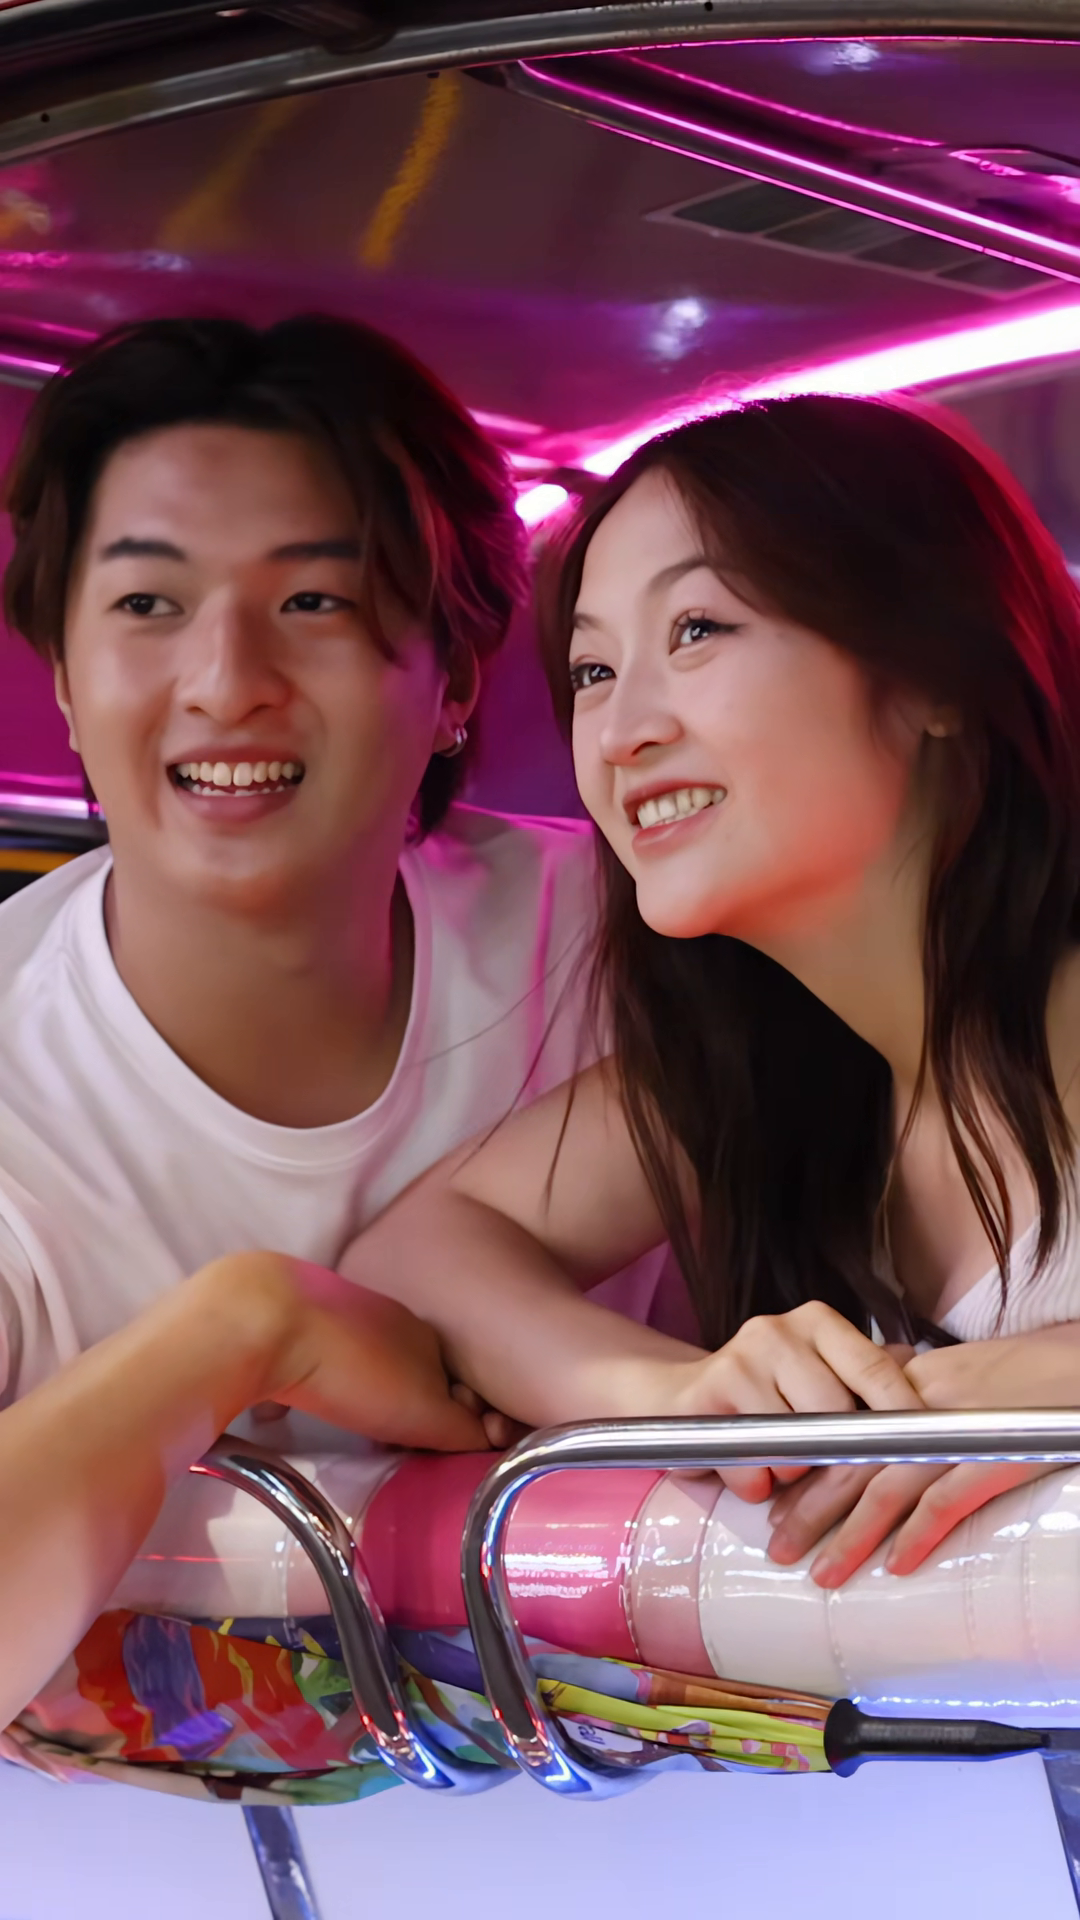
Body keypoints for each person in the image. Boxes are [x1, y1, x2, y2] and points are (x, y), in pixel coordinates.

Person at [0, 312, 673, 1707]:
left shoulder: (634, 940)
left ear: (456, 679)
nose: (225, 682)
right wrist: (247, 1326)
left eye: (312, 601)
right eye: (147, 604)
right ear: (62, 677)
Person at [341, 393, 1080, 1588]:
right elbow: (411, 1259)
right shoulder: (771, 1071)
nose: (620, 732)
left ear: (936, 673)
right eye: (592, 669)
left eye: (697, 629)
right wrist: (687, 1396)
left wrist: (1044, 1375)